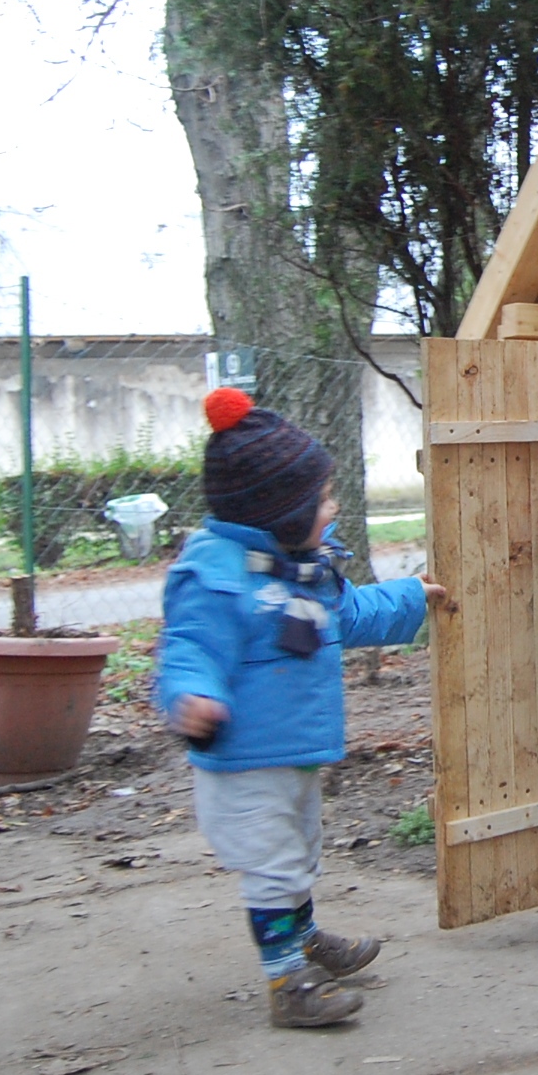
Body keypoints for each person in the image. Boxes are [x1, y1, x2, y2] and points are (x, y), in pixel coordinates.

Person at [157, 388, 446, 1028]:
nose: (332, 508)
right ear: (276, 509)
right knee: (273, 867)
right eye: (321, 500)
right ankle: (287, 983)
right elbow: (188, 647)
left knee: (299, 853)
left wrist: (412, 596)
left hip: (293, 754)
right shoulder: (217, 577)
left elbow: (351, 615)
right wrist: (190, 696)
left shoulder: (300, 569)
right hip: (242, 763)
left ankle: (305, 938)